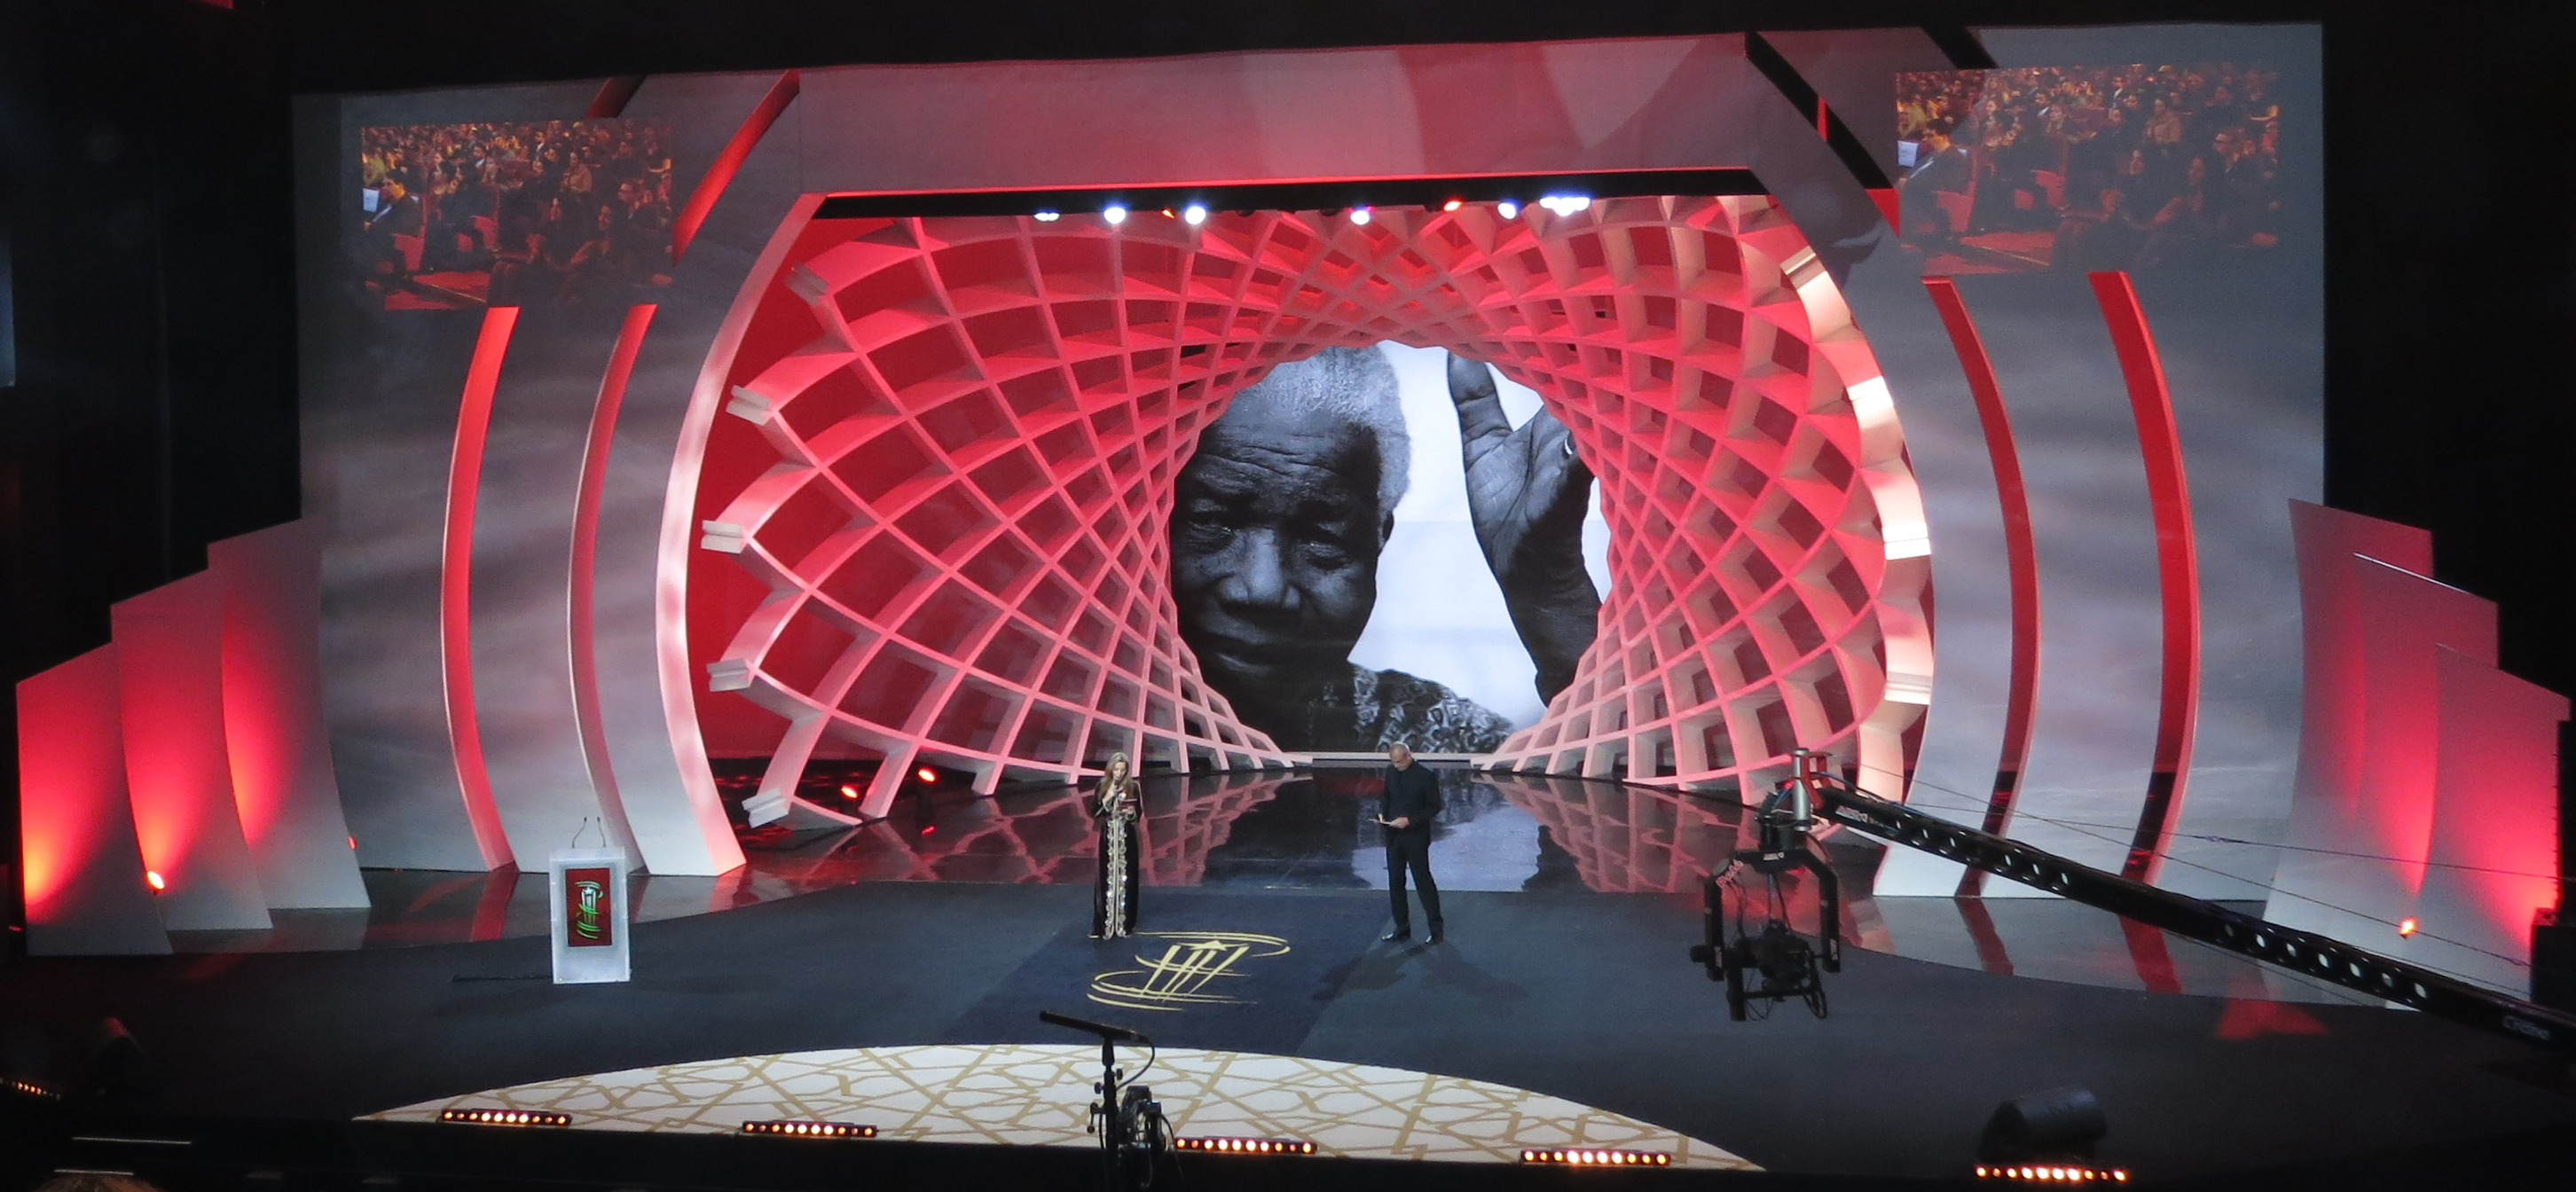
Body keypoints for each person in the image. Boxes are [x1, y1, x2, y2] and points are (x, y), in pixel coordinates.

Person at [1167, 346, 1599, 753]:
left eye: (1320, 538)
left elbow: (1623, 778)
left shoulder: (1429, 737)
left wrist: (1548, 591)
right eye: (1211, 521)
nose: (1262, 588)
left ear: (1377, 542)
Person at [1376, 742, 1444, 943]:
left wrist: (1410, 820)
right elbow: (1387, 796)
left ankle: (1436, 930)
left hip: (1416, 837)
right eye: (1393, 762)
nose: (1397, 766)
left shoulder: (1425, 775)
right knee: (1395, 882)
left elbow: (1434, 806)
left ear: (1408, 756)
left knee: (1423, 881)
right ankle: (1402, 928)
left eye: (1399, 762)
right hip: (1394, 836)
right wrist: (1383, 814)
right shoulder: (1390, 772)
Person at [1090, 751, 1142, 938]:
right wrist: (1107, 797)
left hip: (1126, 836)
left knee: (1128, 877)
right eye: (1116, 769)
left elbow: (1138, 813)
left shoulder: (1132, 787)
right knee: (1106, 876)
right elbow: (1094, 812)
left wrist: (1131, 812)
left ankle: (1125, 923)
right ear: (1110, 770)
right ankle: (1103, 923)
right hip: (1109, 836)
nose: (1119, 773)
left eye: (1122, 770)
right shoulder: (1102, 786)